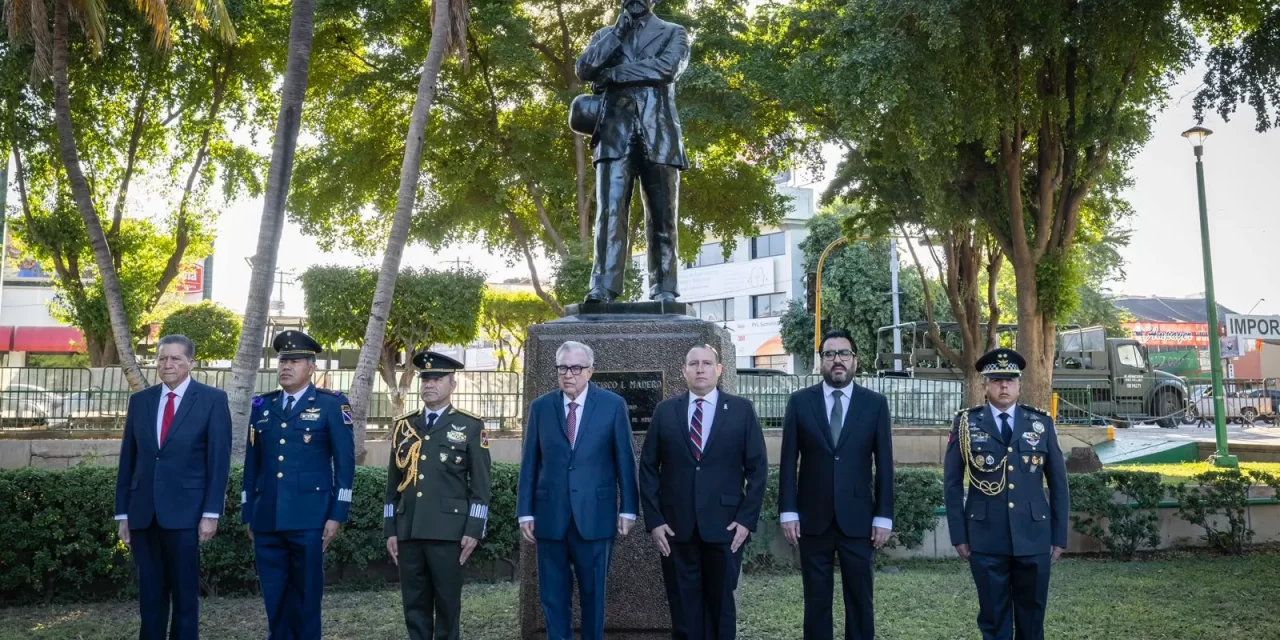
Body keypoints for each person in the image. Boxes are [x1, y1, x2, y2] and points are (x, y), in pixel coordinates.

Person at [639, 344, 767, 640]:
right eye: (693, 363)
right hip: (675, 528)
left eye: (707, 363)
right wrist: (655, 520)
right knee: (683, 610)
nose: (700, 369)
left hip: (726, 527)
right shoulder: (665, 411)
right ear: (683, 371)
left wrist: (746, 521)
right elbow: (647, 468)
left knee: (721, 607)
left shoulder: (741, 410)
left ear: (718, 370)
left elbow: (758, 470)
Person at [516, 340, 639, 640]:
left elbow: (625, 460)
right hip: (549, 518)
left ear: (590, 371)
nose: (568, 374)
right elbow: (530, 463)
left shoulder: (612, 406)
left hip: (595, 518)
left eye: (575, 368)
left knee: (593, 596)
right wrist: (524, 512)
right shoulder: (541, 408)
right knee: (552, 597)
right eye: (562, 368)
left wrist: (629, 508)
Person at [943, 348, 1069, 640]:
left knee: (1032, 618)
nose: (1003, 386)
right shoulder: (966, 424)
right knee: (993, 618)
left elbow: (1059, 483)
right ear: (985, 385)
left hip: (1034, 536)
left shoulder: (1041, 423)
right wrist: (958, 535)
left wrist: (1059, 535)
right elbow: (951, 484)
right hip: (985, 536)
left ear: (1019, 385)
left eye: (1010, 380)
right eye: (997, 379)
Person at [778, 329, 894, 640]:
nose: (837, 360)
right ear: (821, 362)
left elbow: (885, 465)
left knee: (860, 599)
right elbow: (788, 460)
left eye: (844, 353)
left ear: (855, 360)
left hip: (859, 520)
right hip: (812, 519)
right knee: (816, 601)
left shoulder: (875, 404)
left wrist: (884, 515)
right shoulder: (800, 403)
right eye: (830, 354)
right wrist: (788, 511)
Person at [114, 334, 231, 640]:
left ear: (191, 363)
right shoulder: (141, 401)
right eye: (162, 358)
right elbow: (129, 459)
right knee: (150, 598)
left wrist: (211, 513)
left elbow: (218, 462)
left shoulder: (212, 400)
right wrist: (122, 515)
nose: (168, 364)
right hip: (143, 514)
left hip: (186, 515)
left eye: (176, 358)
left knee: (184, 597)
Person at [573, 0, 691, 303]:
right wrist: (616, 34)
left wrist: (613, 75)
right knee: (609, 214)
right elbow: (585, 69)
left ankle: (664, 288)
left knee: (663, 216)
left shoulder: (674, 32)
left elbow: (666, 68)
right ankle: (603, 287)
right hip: (614, 134)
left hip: (659, 134)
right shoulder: (605, 35)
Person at [241, 330, 356, 639]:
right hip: (266, 517)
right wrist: (248, 511)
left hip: (309, 517)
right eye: (282, 362)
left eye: (294, 361)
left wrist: (337, 513)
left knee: (306, 598)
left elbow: (345, 464)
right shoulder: (262, 406)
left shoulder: (332, 405)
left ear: (311, 367)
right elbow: (253, 464)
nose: (285, 367)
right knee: (274, 598)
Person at [384, 351, 492, 640]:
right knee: (414, 607)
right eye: (425, 379)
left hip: (449, 533)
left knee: (447, 607)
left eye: (437, 379)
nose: (429, 385)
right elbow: (392, 487)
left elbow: (481, 487)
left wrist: (474, 529)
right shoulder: (404, 426)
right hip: (408, 531)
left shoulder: (470, 426)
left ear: (452, 385)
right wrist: (390, 529)